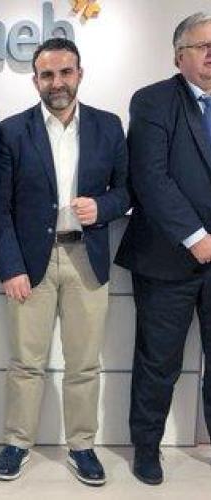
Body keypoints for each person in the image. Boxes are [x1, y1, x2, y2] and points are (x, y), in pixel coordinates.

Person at [0, 38, 129, 486]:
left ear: (79, 74)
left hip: (87, 259)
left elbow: (127, 191)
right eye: (47, 75)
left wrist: (103, 208)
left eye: (65, 72)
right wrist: (10, 266)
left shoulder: (109, 126)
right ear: (35, 80)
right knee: (26, 362)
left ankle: (82, 446)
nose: (57, 82)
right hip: (31, 264)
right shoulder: (12, 130)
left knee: (84, 364)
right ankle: (17, 442)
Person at [115, 11, 211, 486]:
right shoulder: (153, 101)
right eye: (203, 46)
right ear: (179, 56)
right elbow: (150, 178)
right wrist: (196, 237)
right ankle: (147, 448)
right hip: (167, 257)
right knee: (159, 362)